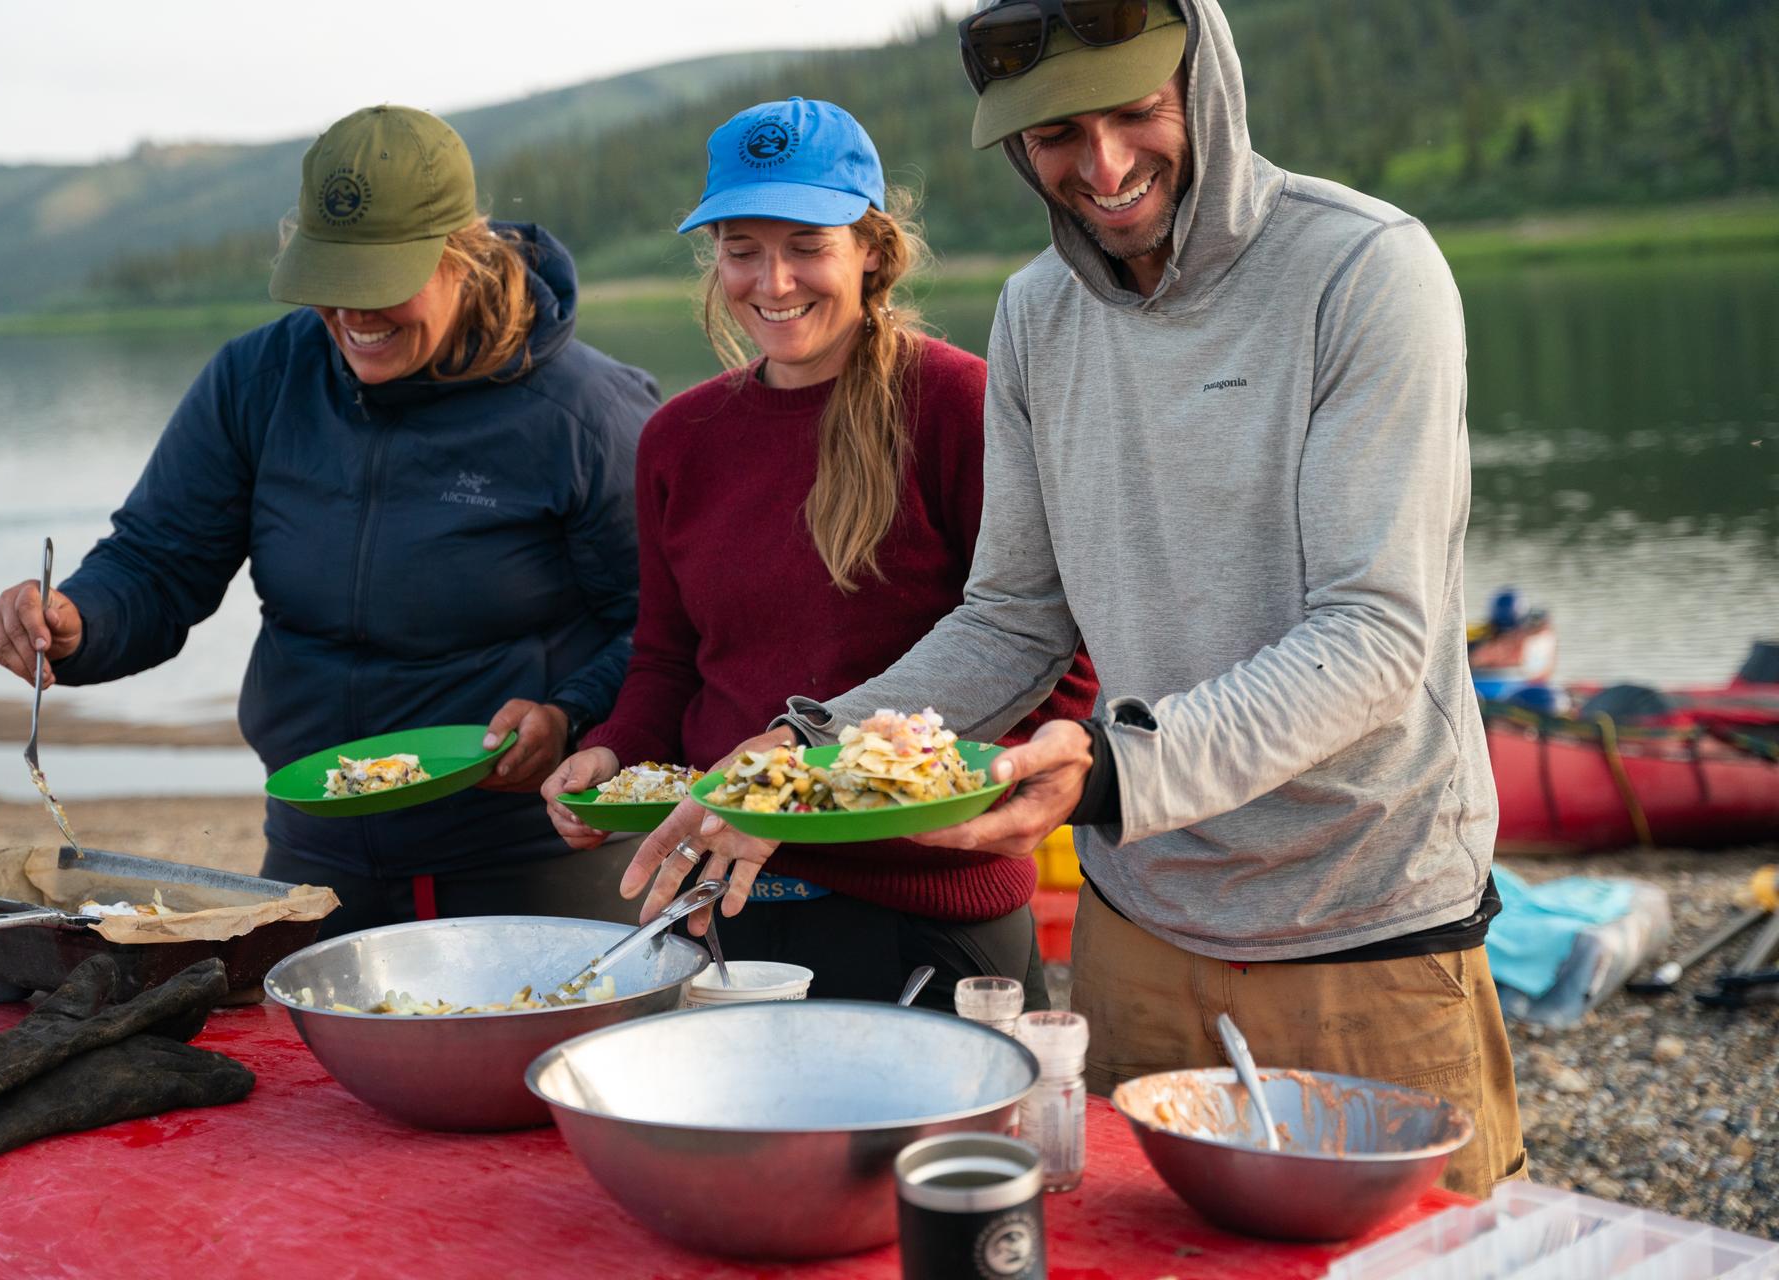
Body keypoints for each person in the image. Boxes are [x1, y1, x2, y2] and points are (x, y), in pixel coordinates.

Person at [626, 1, 1525, 1197]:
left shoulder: (1363, 268)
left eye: (1135, 112)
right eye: (1057, 129)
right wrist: (805, 749)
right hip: (1135, 917)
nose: (1100, 165)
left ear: (1201, 87)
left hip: (1358, 916)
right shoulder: (1036, 315)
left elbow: (1376, 636)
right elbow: (1011, 620)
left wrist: (1106, 772)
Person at [0, 105, 658, 939]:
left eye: (380, 287)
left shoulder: (586, 413)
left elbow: (668, 628)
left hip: (535, 860)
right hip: (316, 856)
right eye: (330, 283)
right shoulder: (257, 380)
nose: (353, 315)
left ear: (463, 255)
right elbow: (160, 560)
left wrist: (571, 716)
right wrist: (77, 621)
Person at [540, 97, 1096, 1013]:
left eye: (807, 244)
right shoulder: (680, 437)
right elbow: (669, 659)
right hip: (720, 901)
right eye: (741, 248)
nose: (773, 279)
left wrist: (985, 791)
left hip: (922, 906)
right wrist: (613, 755)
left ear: (871, 247)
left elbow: (1057, 654)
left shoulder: (962, 405)